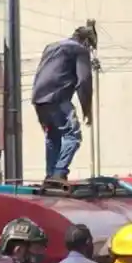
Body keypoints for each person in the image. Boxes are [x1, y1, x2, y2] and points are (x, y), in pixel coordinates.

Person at [32, 26, 96, 181]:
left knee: (53, 136)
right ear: (86, 41)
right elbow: (84, 81)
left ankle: (50, 175)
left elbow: (41, 73)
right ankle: (59, 172)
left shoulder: (51, 48)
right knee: (73, 136)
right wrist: (87, 109)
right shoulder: (79, 50)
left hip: (39, 99)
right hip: (57, 98)